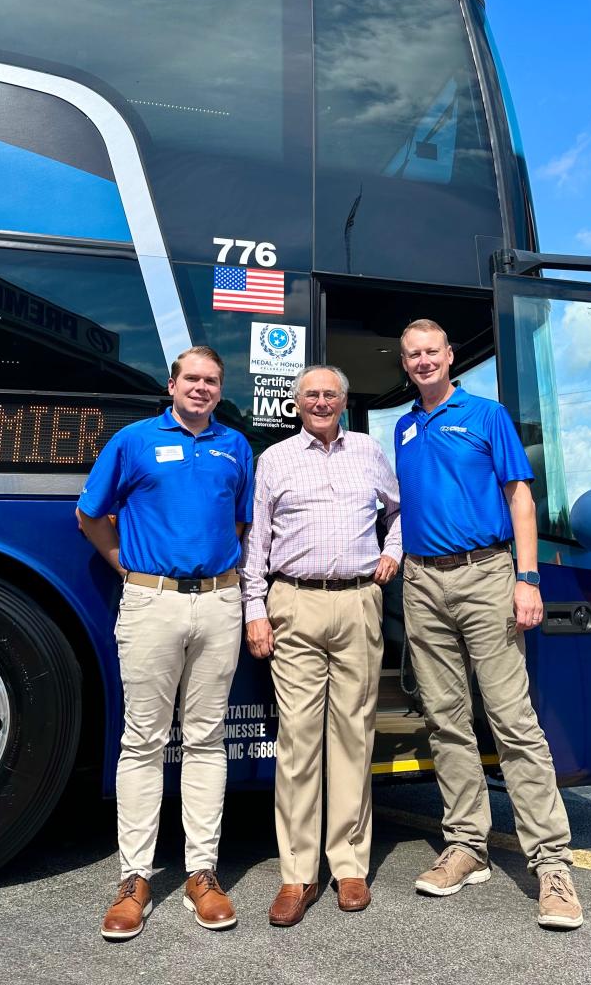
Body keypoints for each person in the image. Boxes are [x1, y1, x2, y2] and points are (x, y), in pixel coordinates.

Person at [394, 320, 583, 930]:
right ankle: (465, 846)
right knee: (445, 720)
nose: (424, 361)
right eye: (413, 355)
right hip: (422, 582)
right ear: (405, 364)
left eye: (432, 352)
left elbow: (519, 497)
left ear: (451, 357)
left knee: (511, 719)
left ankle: (551, 863)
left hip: (486, 575)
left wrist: (527, 580)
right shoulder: (401, 426)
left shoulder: (486, 414)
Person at [77, 345, 253, 941]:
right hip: (151, 602)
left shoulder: (235, 446)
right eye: (192, 379)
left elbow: (239, 524)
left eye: (212, 381)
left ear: (219, 389)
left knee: (206, 738)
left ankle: (202, 872)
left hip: (220, 603)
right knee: (143, 740)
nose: (201, 388)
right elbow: (90, 514)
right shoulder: (133, 441)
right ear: (172, 385)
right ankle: (135, 879)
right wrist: (121, 563)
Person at [240, 365, 401, 927]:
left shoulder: (369, 451)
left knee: (354, 736)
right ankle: (298, 875)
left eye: (331, 393)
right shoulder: (275, 460)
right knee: (299, 743)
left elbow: (398, 511)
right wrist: (254, 610)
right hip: (294, 605)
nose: (321, 401)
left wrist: (394, 552)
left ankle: (350, 865)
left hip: (358, 600)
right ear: (296, 403)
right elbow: (256, 541)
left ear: (344, 400)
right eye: (311, 394)